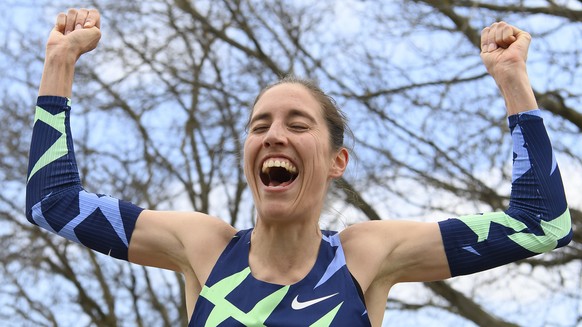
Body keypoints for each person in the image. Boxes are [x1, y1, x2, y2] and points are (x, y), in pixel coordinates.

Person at [26, 8, 572, 327]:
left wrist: (512, 82)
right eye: (259, 125)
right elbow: (54, 203)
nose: (274, 136)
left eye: (297, 124)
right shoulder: (203, 247)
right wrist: (59, 62)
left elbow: (540, 225)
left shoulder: (364, 255)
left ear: (338, 161)